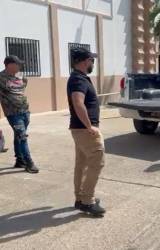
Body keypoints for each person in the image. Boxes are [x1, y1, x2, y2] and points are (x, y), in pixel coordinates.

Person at [67, 47, 105, 217]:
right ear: (84, 61)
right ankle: (87, 200)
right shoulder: (78, 79)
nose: (92, 63)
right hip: (85, 130)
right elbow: (78, 102)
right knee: (97, 161)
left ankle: (80, 198)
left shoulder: (78, 77)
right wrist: (90, 126)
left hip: (80, 129)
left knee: (82, 164)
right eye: (91, 60)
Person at [0, 56, 39, 173]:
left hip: (25, 112)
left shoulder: (21, 76)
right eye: (17, 64)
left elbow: (22, 89)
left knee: (19, 136)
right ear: (9, 65)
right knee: (22, 137)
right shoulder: (1, 78)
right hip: (13, 113)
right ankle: (29, 163)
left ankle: (20, 160)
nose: (20, 66)